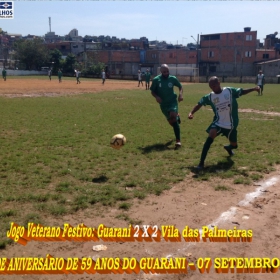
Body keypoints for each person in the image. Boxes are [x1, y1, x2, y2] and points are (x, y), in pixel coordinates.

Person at [188, 76, 261, 170]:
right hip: (218, 122)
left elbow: (241, 91)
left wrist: (254, 89)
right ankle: (201, 163)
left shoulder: (229, 91)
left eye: (214, 86)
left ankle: (229, 148)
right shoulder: (210, 96)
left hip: (231, 124)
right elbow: (199, 104)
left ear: (219, 83)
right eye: (211, 87)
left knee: (234, 145)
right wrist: (191, 113)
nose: (213, 88)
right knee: (210, 137)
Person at [150, 64, 183, 149]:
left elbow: (180, 86)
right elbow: (152, 91)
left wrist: (180, 95)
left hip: (172, 101)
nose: (166, 73)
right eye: (164, 72)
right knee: (172, 122)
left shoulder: (172, 78)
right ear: (161, 71)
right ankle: (177, 117)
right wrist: (157, 97)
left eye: (167, 71)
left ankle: (178, 141)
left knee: (173, 117)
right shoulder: (156, 80)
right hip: (163, 104)